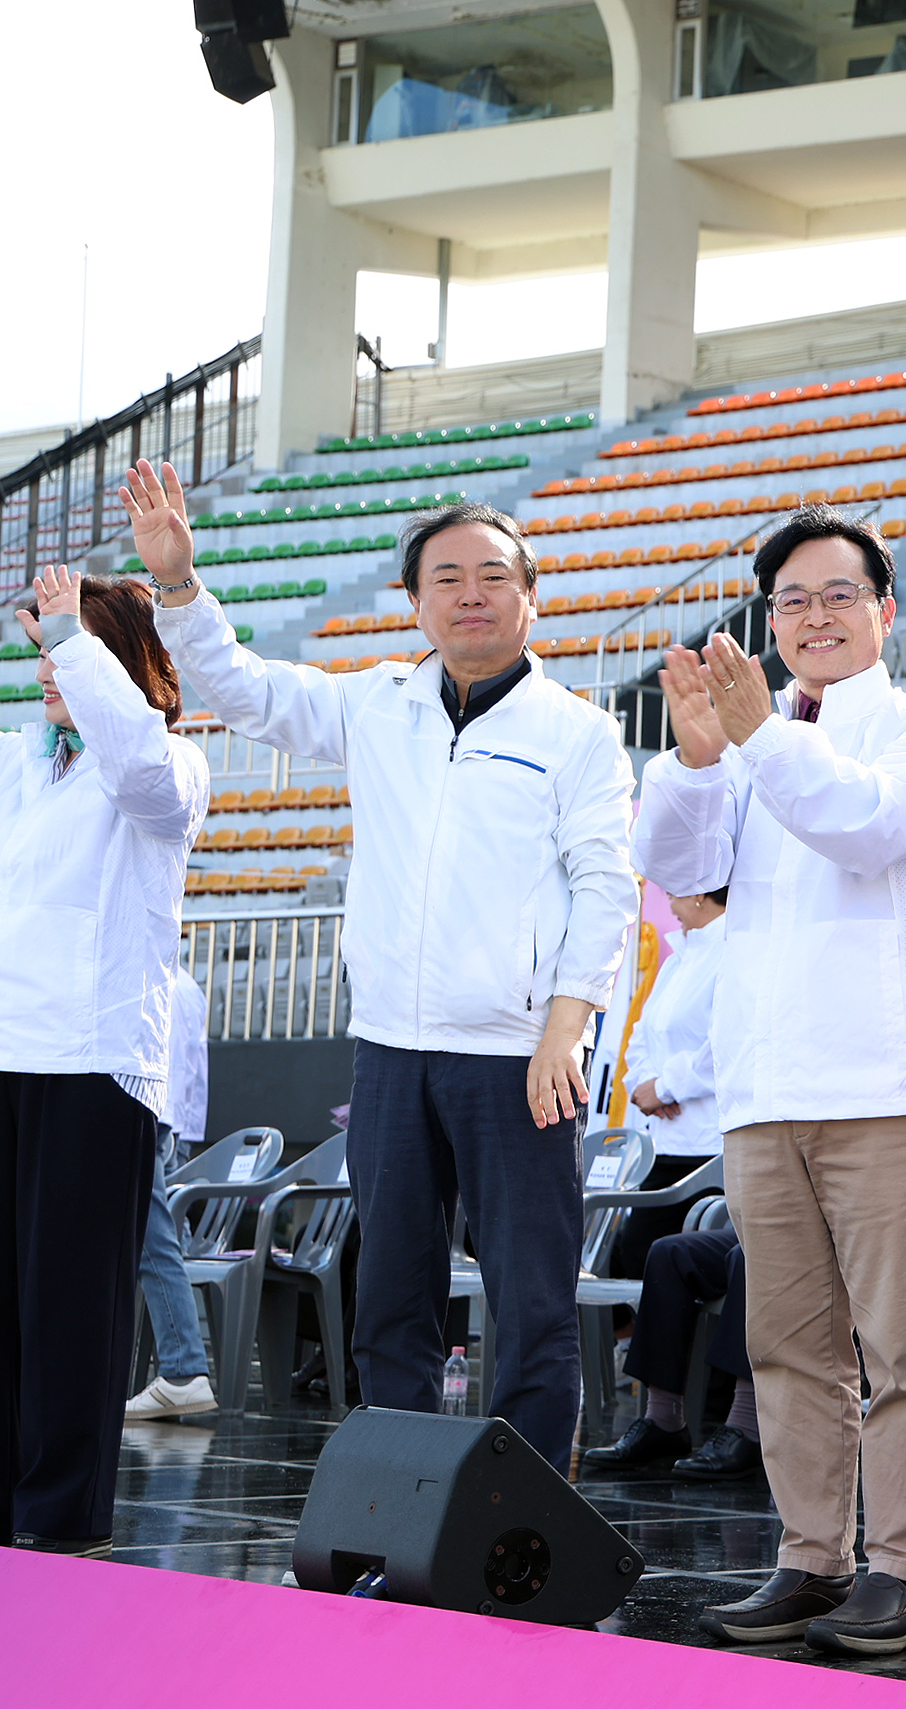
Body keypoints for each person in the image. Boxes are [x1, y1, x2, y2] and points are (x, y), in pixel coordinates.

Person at [136, 464, 639, 1472]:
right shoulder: (380, 703)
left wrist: (564, 1028)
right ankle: (393, 1498)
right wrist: (181, 586)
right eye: (445, 577)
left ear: (530, 596)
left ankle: (527, 1512)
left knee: (532, 1296)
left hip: (517, 1059)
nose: (469, 594)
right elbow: (241, 690)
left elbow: (606, 888)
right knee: (392, 1298)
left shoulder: (576, 732)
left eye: (492, 575)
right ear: (415, 602)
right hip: (393, 1056)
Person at [635, 504, 906, 1657]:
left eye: (838, 595)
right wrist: (693, 755)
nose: (815, 617)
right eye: (791, 601)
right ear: (768, 620)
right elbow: (680, 869)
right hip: (767, 1091)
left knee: (903, 1347)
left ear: (885, 611)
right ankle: (810, 1555)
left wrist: (755, 743)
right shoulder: (743, 745)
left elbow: (862, 827)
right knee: (786, 1345)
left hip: (888, 1087)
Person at [1, 564, 207, 1554]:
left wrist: (77, 649)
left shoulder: (169, 766)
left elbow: (135, 767)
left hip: (94, 1062)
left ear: (122, 659)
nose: (49, 663)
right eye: (43, 645)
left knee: (71, 1304)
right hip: (9, 1052)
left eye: (73, 644)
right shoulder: (24, 765)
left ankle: (58, 1514)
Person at [580, 1222, 761, 1482]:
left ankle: (747, 1427)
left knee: (750, 1254)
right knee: (669, 1252)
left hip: (808, 1228)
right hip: (755, 1219)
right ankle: (664, 1420)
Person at [610, 885, 728, 1279]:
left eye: (674, 893)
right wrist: (646, 1086)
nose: (669, 906)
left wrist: (664, 1088)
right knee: (635, 1255)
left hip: (711, 1149)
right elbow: (641, 1036)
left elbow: (726, 1044)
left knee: (679, 1264)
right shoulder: (677, 960)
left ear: (699, 895)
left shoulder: (732, 951)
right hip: (667, 1142)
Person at [128, 961, 218, 1421]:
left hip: (149, 1110)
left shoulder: (152, 979)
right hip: (171, 1120)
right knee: (154, 1245)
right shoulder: (188, 987)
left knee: (154, 1247)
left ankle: (183, 1369)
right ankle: (180, 1367)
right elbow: (195, 1070)